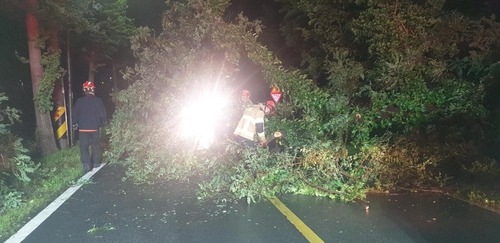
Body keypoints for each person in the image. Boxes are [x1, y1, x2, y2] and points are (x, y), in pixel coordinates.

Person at [72, 81, 107, 173]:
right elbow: (102, 114)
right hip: (94, 128)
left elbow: (75, 114)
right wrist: (103, 122)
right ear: (92, 89)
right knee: (95, 146)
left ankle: (86, 164)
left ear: (84, 90)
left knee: (84, 146)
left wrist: (74, 123)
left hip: (83, 128)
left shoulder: (79, 101)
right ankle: (96, 162)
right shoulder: (98, 101)